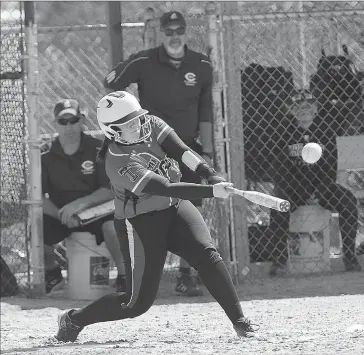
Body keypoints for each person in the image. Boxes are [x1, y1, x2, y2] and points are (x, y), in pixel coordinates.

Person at [55, 91, 258, 342]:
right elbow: (164, 187)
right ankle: (74, 319)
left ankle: (241, 323)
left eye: (137, 118)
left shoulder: (149, 124)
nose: (138, 124)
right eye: (128, 123)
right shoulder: (117, 160)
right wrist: (212, 191)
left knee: (207, 255)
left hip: (175, 208)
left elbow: (181, 150)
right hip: (141, 224)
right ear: (113, 131)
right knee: (135, 304)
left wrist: (210, 173)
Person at [103, 10, 214, 296]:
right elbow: (111, 84)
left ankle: (185, 274)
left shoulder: (200, 64)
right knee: (154, 202)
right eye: (169, 31)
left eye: (179, 30)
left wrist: (210, 152)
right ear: (160, 33)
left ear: (186, 31)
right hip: (149, 148)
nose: (174, 36)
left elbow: (206, 110)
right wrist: (138, 52)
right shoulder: (145, 60)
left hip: (185, 147)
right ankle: (137, 275)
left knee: (192, 203)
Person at [267, 89, 360, 275]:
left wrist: (319, 192)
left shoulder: (325, 130)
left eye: (309, 106)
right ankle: (279, 260)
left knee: (348, 201)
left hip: (321, 187)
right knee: (278, 204)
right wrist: (301, 191)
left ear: (316, 108)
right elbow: (279, 168)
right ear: (291, 110)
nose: (304, 110)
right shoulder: (282, 131)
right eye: (298, 107)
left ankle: (350, 256)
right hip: (293, 187)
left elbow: (331, 165)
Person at [42, 99, 125, 293]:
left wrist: (79, 205)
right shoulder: (45, 153)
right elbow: (38, 197)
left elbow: (108, 189)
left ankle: (124, 277)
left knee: (113, 226)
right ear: (55, 124)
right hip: (60, 214)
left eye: (74, 120)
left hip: (93, 211)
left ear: (82, 121)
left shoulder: (97, 148)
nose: (69, 126)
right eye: (63, 122)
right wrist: (63, 215)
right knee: (36, 228)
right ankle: (53, 275)